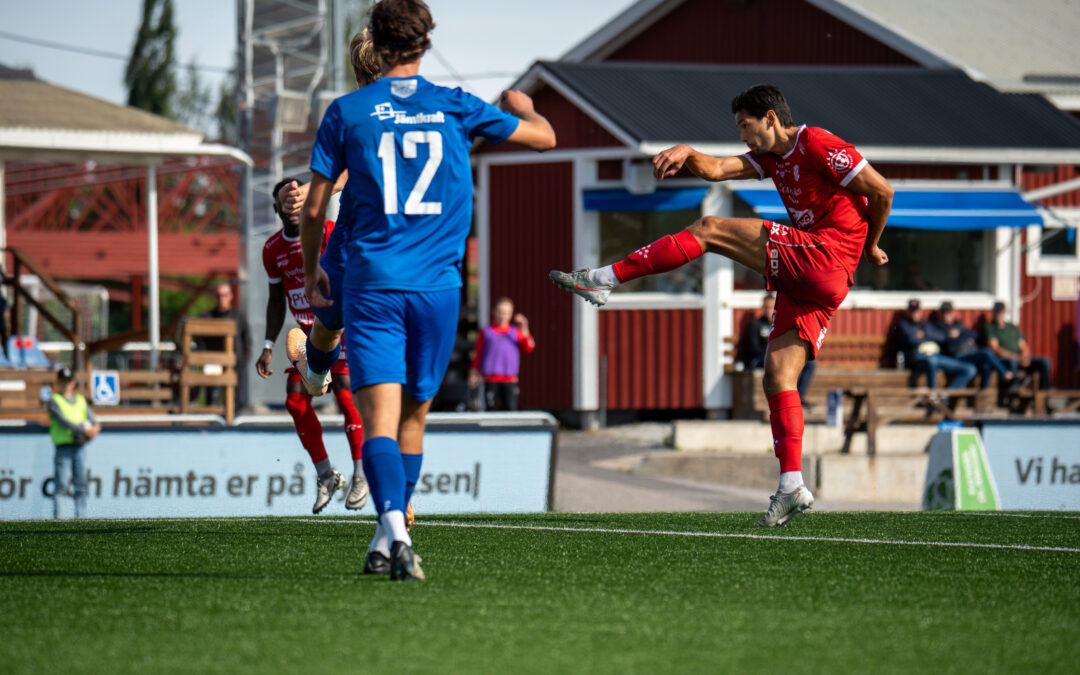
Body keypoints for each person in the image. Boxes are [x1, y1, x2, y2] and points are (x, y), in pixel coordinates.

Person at [551, 84, 892, 526]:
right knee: (778, 376)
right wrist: (687, 152)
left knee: (710, 228)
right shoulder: (771, 158)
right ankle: (791, 485)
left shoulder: (817, 143)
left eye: (745, 126)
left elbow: (882, 190)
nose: (742, 137)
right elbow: (714, 169)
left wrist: (872, 246)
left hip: (826, 255)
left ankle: (602, 279)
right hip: (819, 274)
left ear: (770, 118)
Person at [300, 0, 555, 580]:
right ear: (426, 42)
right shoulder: (458, 105)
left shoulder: (347, 111)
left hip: (373, 286)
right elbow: (542, 139)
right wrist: (525, 106)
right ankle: (390, 535)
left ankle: (392, 531)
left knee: (380, 420)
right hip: (439, 289)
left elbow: (316, 204)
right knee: (413, 420)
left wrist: (312, 260)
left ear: (376, 45)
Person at [256, 177, 368, 514]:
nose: (292, 205)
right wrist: (266, 344)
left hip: (338, 327)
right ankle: (326, 475)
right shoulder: (272, 249)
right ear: (277, 209)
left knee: (347, 392)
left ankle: (361, 474)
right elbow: (277, 300)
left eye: (297, 197)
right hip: (305, 337)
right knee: (294, 400)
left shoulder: (330, 232)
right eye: (285, 201)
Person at [738, 293, 816, 403]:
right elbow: (753, 348)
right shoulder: (755, 325)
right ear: (763, 308)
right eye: (766, 307)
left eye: (771, 307)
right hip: (761, 359)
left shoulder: (781, 324)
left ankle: (798, 397)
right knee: (779, 365)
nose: (769, 310)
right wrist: (773, 354)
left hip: (782, 356)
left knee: (809, 364)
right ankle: (782, 400)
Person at [47, 366, 101, 518]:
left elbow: (95, 421)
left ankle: (81, 518)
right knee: (61, 486)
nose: (66, 384)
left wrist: (93, 430)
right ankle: (59, 519)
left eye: (68, 381)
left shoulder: (80, 400)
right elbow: (64, 422)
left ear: (73, 382)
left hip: (79, 446)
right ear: (59, 382)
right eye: (63, 381)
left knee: (81, 485)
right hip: (63, 446)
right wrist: (84, 431)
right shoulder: (54, 401)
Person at [468, 297, 535, 411]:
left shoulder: (515, 332)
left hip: (509, 379)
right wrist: (474, 371)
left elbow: (529, 347)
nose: (502, 316)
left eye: (506, 313)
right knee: (491, 409)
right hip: (491, 378)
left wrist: (524, 327)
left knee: (510, 409)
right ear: (494, 312)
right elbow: (478, 353)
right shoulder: (486, 332)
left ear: (510, 314)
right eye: (500, 312)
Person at [933, 301, 1014, 391]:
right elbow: (943, 340)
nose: (946, 315)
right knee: (986, 352)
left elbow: (973, 334)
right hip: (957, 357)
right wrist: (954, 336)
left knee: (985, 365)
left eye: (948, 312)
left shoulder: (958, 325)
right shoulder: (938, 327)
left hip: (969, 354)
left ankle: (983, 394)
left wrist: (959, 335)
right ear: (941, 313)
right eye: (944, 312)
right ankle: (1004, 373)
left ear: (953, 313)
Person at [896, 299, 975, 388]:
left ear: (921, 311)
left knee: (969, 369)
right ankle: (932, 393)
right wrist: (928, 336)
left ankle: (945, 396)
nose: (914, 314)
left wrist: (924, 334)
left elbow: (942, 337)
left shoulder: (927, 325)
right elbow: (912, 340)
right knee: (931, 360)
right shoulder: (904, 325)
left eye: (916, 311)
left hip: (937, 357)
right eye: (912, 311)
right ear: (907, 312)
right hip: (919, 358)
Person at [198, 282, 250, 406]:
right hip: (213, 362)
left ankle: (232, 424)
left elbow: (246, 339)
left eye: (225, 295)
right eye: (219, 295)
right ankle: (212, 423)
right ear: (215, 297)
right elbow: (199, 338)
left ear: (231, 296)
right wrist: (204, 356)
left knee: (234, 399)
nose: (222, 298)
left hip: (235, 363)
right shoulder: (207, 317)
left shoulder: (238, 316)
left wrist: (243, 360)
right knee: (212, 397)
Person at [985, 301, 1052, 390]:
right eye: (997, 312)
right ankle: (1011, 390)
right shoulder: (990, 327)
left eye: (1001, 312)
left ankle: (1044, 392)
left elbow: (1023, 345)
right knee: (1013, 362)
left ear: (1005, 312)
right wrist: (1017, 358)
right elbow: (996, 349)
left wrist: (1025, 357)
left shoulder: (1012, 326)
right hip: (1005, 359)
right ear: (993, 313)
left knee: (1045, 362)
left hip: (1019, 358)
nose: (999, 314)